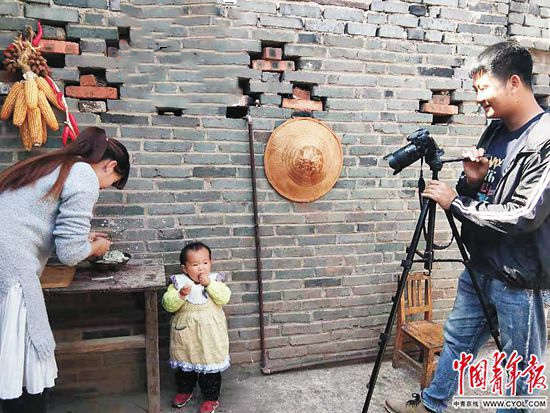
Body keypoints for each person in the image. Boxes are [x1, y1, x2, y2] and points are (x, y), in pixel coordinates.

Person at [385, 41, 549, 413]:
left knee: (520, 371)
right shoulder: (494, 132)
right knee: (457, 342)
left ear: (513, 82)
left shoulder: (545, 140)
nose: (478, 99)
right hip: (480, 266)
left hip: (519, 279)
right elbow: (484, 193)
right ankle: (432, 404)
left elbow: (524, 214)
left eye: (483, 88)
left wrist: (456, 203)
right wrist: (472, 182)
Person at [0, 127, 130, 413]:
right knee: (23, 359)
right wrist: (97, 248)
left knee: (7, 353)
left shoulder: (57, 164)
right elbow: (70, 254)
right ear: (110, 166)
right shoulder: (84, 176)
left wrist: (84, 238)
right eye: (110, 184)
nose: (103, 189)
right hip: (10, 265)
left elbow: (37, 219)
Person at [162, 242, 231, 413]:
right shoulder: (178, 283)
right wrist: (180, 295)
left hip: (210, 335)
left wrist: (209, 284)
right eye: (195, 264)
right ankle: (185, 390)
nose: (201, 268)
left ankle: (211, 398)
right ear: (184, 268)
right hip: (186, 335)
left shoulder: (215, 281)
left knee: (210, 368)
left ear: (210, 263)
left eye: (205, 263)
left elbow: (224, 298)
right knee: (185, 366)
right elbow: (168, 305)